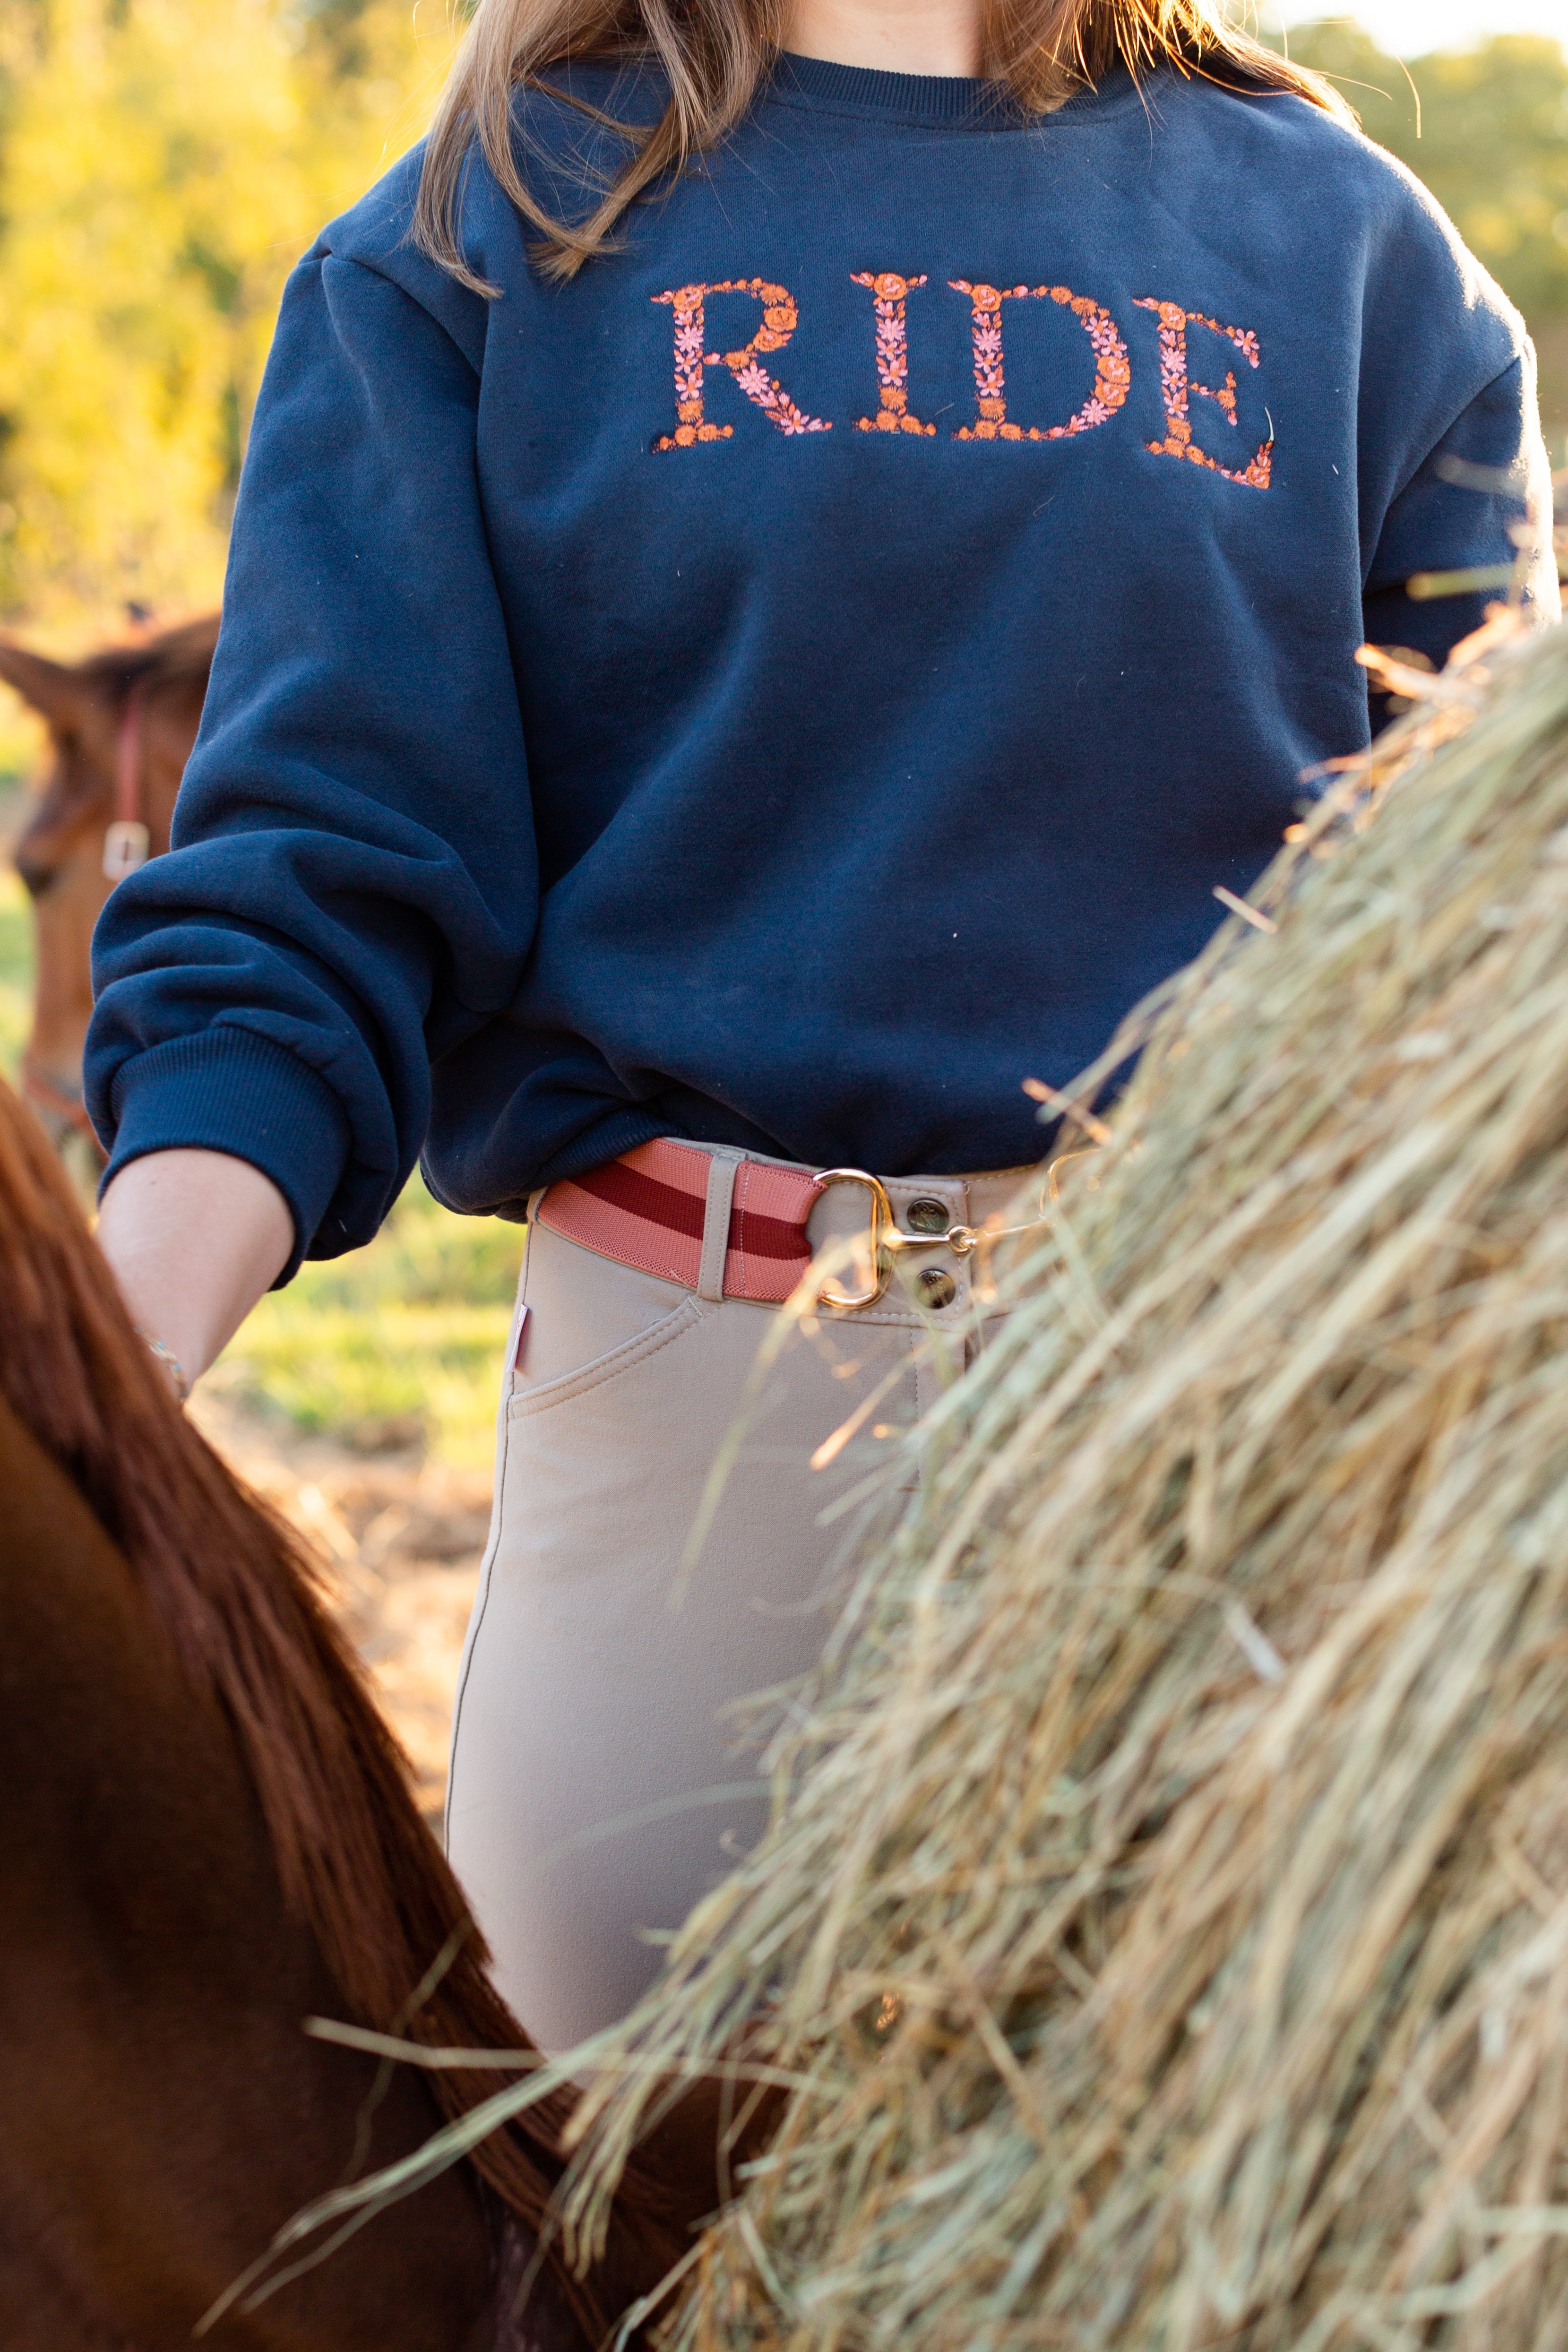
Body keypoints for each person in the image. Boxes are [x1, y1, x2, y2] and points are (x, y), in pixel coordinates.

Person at [87, 0, 1558, 2051]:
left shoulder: (1353, 257)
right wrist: (99, 1402)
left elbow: (1489, 956)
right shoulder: (475, 244)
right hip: (683, 1414)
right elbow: (310, 895)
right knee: (602, 2234)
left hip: (1207, 1447)